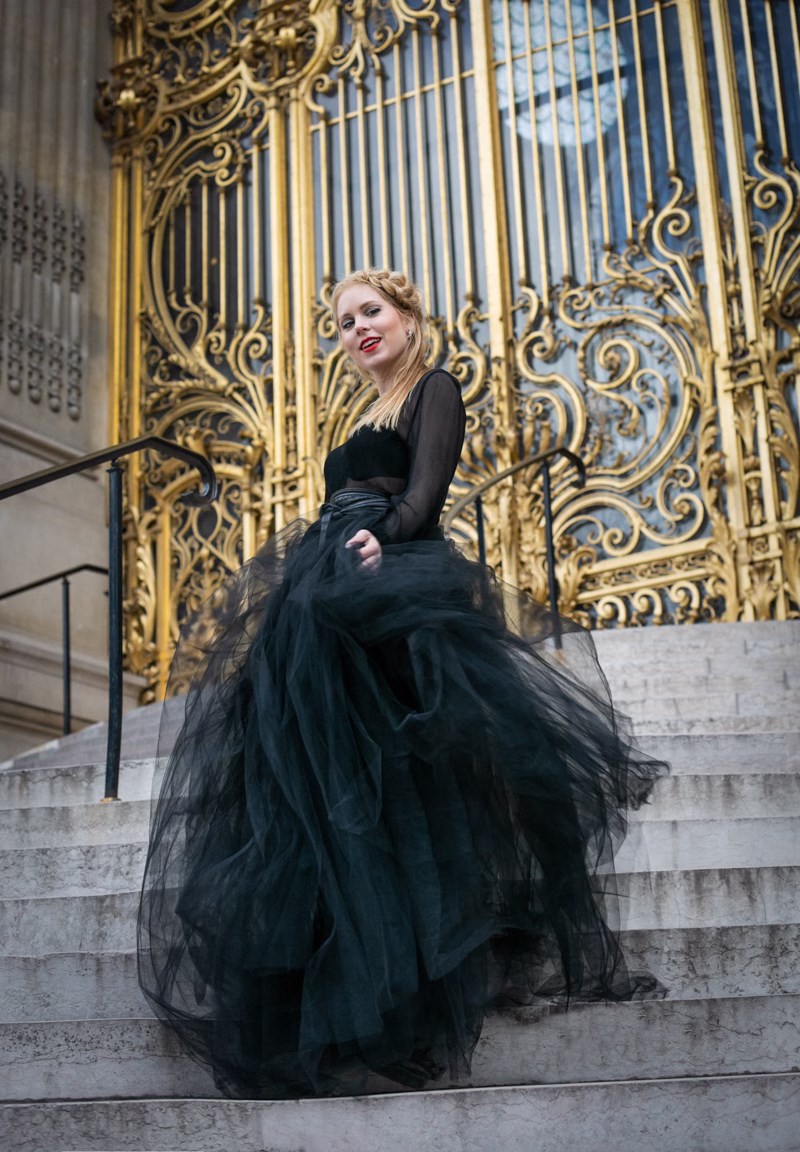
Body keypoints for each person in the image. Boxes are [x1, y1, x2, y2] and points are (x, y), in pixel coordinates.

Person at [138, 267, 667, 1101]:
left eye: (370, 312)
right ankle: (348, 972)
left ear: (408, 315)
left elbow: (425, 493)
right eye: (345, 322)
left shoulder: (434, 390)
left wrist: (386, 544)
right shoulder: (361, 411)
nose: (358, 330)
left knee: (408, 784)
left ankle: (423, 976)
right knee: (321, 792)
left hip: (390, 570)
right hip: (327, 582)